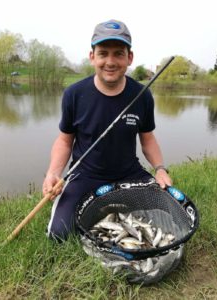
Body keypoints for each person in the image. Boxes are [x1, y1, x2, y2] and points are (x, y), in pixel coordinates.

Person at [42, 19, 172, 241]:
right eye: (103, 53)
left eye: (118, 54)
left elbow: (147, 139)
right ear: (92, 57)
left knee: (167, 210)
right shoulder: (74, 94)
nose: (110, 62)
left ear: (129, 58)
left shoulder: (142, 95)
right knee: (59, 235)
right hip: (84, 175)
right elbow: (65, 141)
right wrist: (53, 173)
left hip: (129, 173)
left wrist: (160, 168)